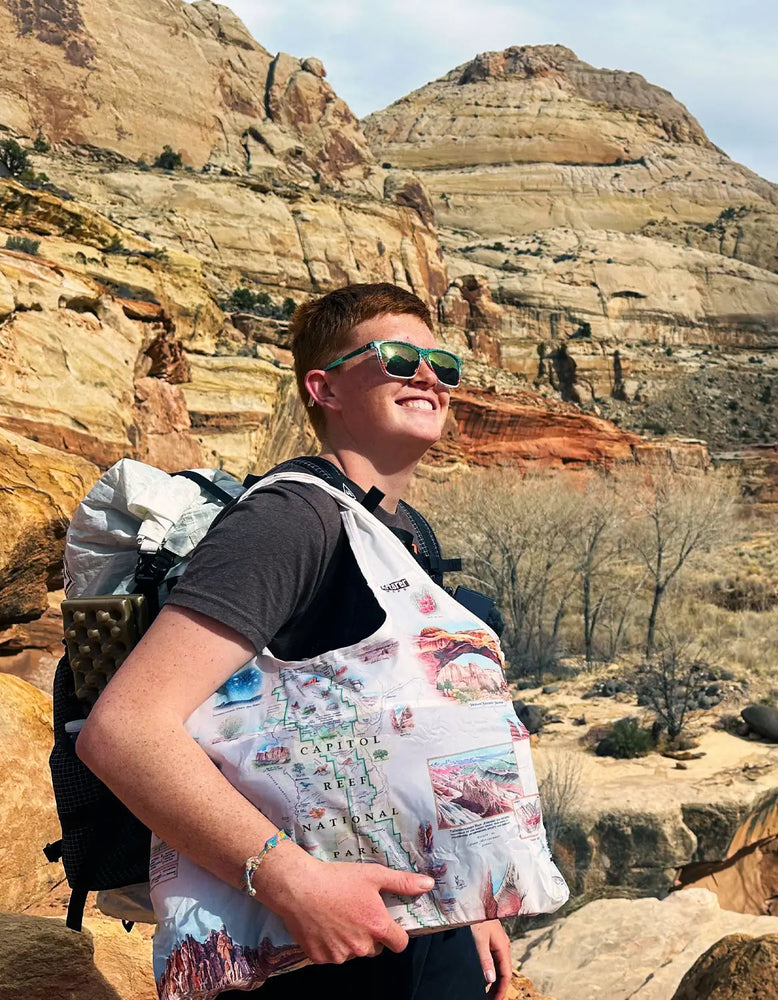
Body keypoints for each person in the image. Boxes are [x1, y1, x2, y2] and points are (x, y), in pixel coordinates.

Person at [77, 283, 512, 999]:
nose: (429, 374)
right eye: (399, 357)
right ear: (326, 388)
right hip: (305, 940)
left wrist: (469, 902)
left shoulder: (398, 532)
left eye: (443, 362)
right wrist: (293, 882)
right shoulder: (288, 520)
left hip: (420, 921)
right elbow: (123, 730)